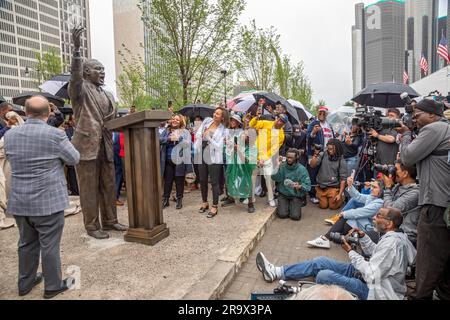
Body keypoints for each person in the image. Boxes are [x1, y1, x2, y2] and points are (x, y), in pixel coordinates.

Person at [4, 96, 80, 299]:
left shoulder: (11, 135)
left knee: (26, 242)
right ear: (48, 113)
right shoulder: (55, 134)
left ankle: (25, 283)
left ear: (26, 112)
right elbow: (74, 159)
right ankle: (53, 286)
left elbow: (12, 159)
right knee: (49, 244)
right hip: (48, 200)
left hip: (20, 199)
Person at [256, 207, 417, 300]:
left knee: (324, 276)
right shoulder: (394, 237)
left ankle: (306, 293)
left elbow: (372, 274)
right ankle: (276, 272)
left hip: (376, 290)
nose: (374, 218)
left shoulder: (392, 245)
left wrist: (351, 252)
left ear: (388, 223)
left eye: (378, 216)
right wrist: (364, 238)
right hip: (364, 274)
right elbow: (377, 254)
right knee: (320, 261)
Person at [69, 27, 127, 239]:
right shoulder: (80, 90)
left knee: (108, 184)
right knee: (89, 189)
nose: (102, 72)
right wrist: (76, 51)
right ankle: (92, 227)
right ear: (86, 72)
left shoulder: (108, 94)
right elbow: (74, 78)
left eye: (103, 69)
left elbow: (112, 120)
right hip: (86, 147)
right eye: (97, 69)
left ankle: (111, 220)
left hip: (106, 145)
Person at [396, 99, 450, 300]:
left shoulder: (434, 129)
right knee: (444, 258)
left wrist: (407, 134)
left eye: (417, 115)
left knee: (427, 258)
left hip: (435, 204)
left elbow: (408, 157)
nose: (414, 119)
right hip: (445, 204)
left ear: (432, 115)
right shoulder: (446, 129)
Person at [307, 177, 383, 249]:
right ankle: (332, 238)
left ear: (382, 190)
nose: (371, 189)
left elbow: (360, 212)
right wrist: (350, 185)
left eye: (374, 187)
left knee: (349, 216)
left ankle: (327, 238)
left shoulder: (379, 203)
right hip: (364, 223)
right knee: (349, 217)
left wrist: (344, 213)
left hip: (371, 230)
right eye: (371, 186)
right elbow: (358, 197)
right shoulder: (373, 197)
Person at [194, 107, 228, 218]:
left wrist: (208, 137)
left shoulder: (224, 129)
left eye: (217, 114)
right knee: (203, 179)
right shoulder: (207, 121)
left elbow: (219, 146)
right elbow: (198, 134)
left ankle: (214, 206)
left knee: (214, 182)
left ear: (222, 117)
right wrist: (201, 135)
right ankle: (205, 202)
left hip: (214, 155)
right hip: (202, 152)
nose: (214, 114)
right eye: (215, 112)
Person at [249, 110, 287, 207]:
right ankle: (251, 197)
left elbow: (274, 149)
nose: (279, 122)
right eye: (279, 119)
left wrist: (263, 159)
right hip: (256, 153)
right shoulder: (266, 123)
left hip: (267, 156)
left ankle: (270, 198)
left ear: (283, 124)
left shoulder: (281, 135)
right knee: (252, 176)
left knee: (269, 177)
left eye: (282, 122)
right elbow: (252, 124)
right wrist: (256, 118)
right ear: (277, 118)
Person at [222, 113, 257, 213]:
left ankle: (250, 203)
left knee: (247, 182)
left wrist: (238, 148)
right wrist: (227, 144)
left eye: (246, 135)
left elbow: (247, 158)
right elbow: (229, 148)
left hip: (244, 163)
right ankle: (231, 198)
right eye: (231, 120)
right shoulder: (233, 135)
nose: (232, 122)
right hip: (233, 161)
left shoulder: (249, 143)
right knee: (230, 179)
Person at [381, 161, 420, 246]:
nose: (393, 171)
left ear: (405, 173)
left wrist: (388, 188)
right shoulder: (398, 186)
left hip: (405, 237)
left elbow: (390, 211)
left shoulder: (415, 193)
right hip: (392, 231)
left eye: (396, 169)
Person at [160, 114, 192, 210]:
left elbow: (188, 144)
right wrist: (169, 139)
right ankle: (165, 200)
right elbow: (159, 140)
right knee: (168, 181)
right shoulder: (166, 131)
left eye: (177, 120)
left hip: (179, 160)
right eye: (173, 119)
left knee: (179, 181)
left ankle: (179, 200)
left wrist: (180, 138)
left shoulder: (185, 132)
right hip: (168, 160)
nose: (174, 121)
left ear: (181, 122)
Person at [271, 148, 311, 220]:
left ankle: (292, 205)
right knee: (282, 215)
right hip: (283, 194)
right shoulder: (282, 166)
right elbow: (274, 178)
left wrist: (300, 186)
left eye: (291, 158)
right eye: (288, 157)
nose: (289, 159)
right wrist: (276, 166)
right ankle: (283, 203)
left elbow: (308, 186)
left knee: (295, 216)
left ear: (296, 158)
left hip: (296, 195)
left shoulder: (302, 169)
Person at [306, 106, 335, 204]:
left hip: (327, 153)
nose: (322, 115)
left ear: (326, 115)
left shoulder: (329, 125)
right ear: (317, 113)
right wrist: (313, 132)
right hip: (316, 152)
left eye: (324, 113)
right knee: (313, 173)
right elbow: (308, 139)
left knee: (323, 173)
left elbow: (332, 137)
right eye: (320, 113)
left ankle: (322, 193)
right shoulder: (313, 123)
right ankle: (312, 194)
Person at [309, 139, 347, 210]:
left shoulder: (341, 160)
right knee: (323, 206)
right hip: (321, 186)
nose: (329, 151)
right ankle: (323, 196)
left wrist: (339, 194)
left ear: (337, 148)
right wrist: (315, 154)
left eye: (331, 149)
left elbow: (343, 179)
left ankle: (340, 197)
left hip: (333, 187)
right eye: (328, 148)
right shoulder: (323, 154)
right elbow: (312, 165)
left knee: (333, 207)